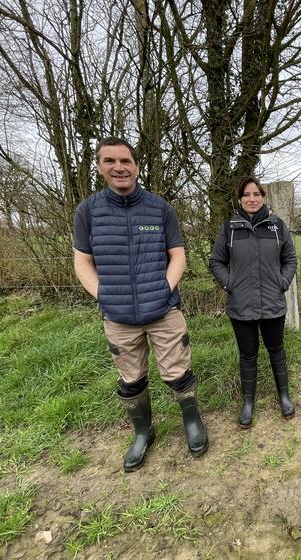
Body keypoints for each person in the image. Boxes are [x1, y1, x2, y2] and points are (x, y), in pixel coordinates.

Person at [73, 136, 208, 472]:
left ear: (136, 166)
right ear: (101, 167)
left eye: (125, 161)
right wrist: (102, 294)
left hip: (163, 310)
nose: (119, 167)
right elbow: (82, 261)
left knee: (178, 372)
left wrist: (165, 287)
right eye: (110, 161)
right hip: (118, 316)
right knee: (130, 380)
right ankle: (143, 432)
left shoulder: (160, 208)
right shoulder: (87, 212)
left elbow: (177, 254)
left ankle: (192, 422)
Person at [209, 176, 298, 429]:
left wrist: (282, 283)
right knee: (248, 355)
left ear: (263, 197)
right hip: (241, 305)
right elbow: (216, 261)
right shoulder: (229, 229)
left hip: (272, 303)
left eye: (256, 194)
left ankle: (284, 396)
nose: (252, 199)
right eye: (246, 195)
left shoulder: (277, 226)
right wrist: (230, 284)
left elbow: (290, 259)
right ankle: (248, 403)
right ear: (239, 199)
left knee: (276, 350)